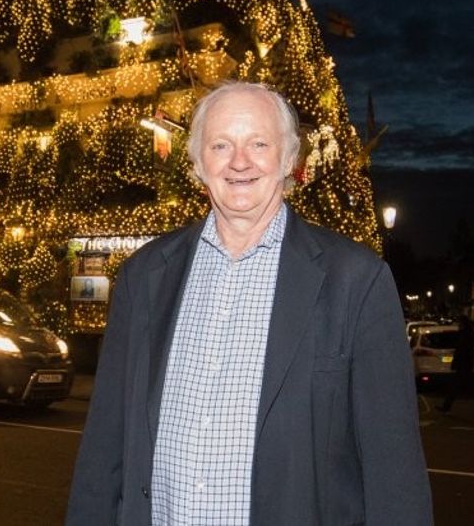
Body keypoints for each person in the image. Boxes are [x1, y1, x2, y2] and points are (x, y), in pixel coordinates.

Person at [66, 81, 433, 525]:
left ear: (289, 159)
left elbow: (394, 477)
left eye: (259, 143)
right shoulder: (142, 277)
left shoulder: (356, 281)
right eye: (221, 145)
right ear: (198, 162)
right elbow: (103, 451)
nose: (240, 162)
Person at [439, 315, 474, 414]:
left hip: (463, 365)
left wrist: (455, 363)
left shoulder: (464, 335)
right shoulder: (468, 334)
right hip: (465, 364)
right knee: (469, 387)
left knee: (458, 387)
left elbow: (460, 351)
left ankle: (446, 407)